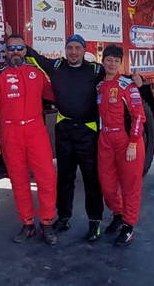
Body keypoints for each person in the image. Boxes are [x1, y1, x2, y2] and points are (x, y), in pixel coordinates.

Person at [25, 34, 105, 242]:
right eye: (70, 47)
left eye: (77, 48)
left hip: (88, 132)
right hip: (65, 131)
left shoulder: (95, 70)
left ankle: (95, 222)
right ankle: (64, 217)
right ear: (65, 49)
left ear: (84, 50)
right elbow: (34, 57)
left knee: (91, 180)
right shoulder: (57, 66)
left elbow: (116, 77)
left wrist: (136, 81)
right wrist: (13, 39)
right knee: (65, 178)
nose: (73, 52)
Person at [0, 34, 58, 245]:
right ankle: (27, 224)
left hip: (36, 132)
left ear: (25, 50)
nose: (15, 52)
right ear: (5, 51)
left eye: (19, 48)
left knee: (47, 178)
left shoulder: (37, 73)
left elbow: (56, 94)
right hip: (10, 134)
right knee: (19, 181)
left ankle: (47, 223)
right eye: (11, 49)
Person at [96, 45, 146, 246]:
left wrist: (133, 142)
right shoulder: (98, 86)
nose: (112, 64)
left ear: (120, 63)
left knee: (130, 186)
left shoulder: (128, 85)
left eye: (116, 61)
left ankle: (129, 225)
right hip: (105, 140)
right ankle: (118, 214)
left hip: (127, 142)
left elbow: (138, 115)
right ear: (103, 61)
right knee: (107, 185)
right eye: (109, 60)